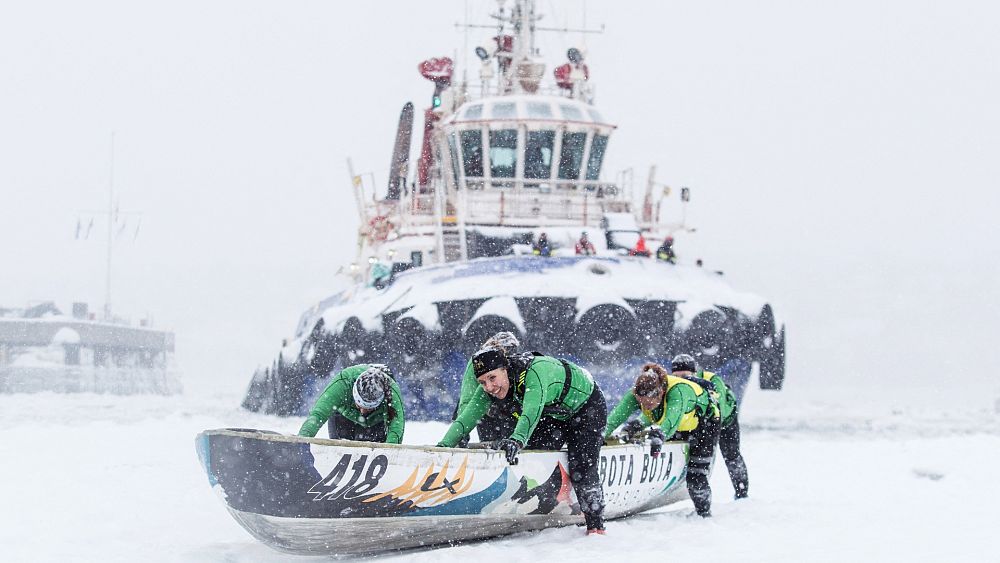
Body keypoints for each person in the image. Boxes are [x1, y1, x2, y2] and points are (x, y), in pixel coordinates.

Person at [438, 348, 608, 535]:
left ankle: (595, 524)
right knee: (533, 454)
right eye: (482, 382)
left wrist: (517, 440)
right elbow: (465, 420)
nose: (489, 387)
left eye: (492, 378)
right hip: (555, 415)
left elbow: (531, 411)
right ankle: (547, 498)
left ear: (505, 369)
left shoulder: (534, 373)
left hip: (587, 409)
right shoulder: (488, 388)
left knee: (582, 466)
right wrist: (442, 447)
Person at [604, 362, 720, 517]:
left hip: (704, 424)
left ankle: (704, 515)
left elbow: (671, 421)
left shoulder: (678, 392)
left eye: (650, 403)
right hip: (679, 422)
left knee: (696, 476)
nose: (645, 405)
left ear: (661, 392)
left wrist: (660, 435)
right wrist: (599, 435)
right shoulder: (635, 395)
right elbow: (614, 418)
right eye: (641, 403)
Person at [670, 353, 748, 499]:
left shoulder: (711, 379)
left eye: (685, 376)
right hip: (702, 420)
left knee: (731, 456)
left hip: (726, 419)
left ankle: (742, 494)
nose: (682, 381)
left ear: (694, 373)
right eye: (677, 377)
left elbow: (719, 406)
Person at [298, 363, 405, 444]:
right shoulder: (342, 384)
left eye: (369, 408)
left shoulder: (392, 392)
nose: (363, 412)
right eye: (359, 405)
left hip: (377, 423)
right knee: (340, 452)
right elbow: (318, 415)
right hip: (343, 418)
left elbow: (396, 430)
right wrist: (301, 442)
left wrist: (390, 454)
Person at [451, 331, 522, 446]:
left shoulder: (512, 361)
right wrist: (461, 433)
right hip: (485, 410)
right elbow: (467, 398)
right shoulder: (477, 363)